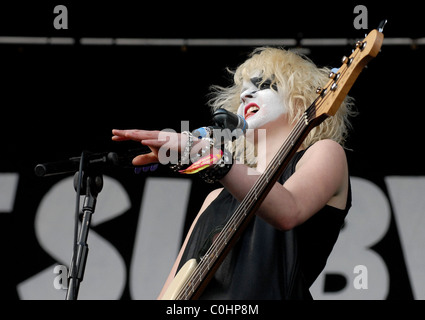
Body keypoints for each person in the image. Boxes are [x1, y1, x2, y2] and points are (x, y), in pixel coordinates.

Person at [112, 47, 356, 300]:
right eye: (242, 92)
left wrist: (204, 153)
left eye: (264, 84)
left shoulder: (325, 152)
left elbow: (288, 211)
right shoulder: (216, 197)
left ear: (299, 99)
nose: (246, 94)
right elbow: (171, 293)